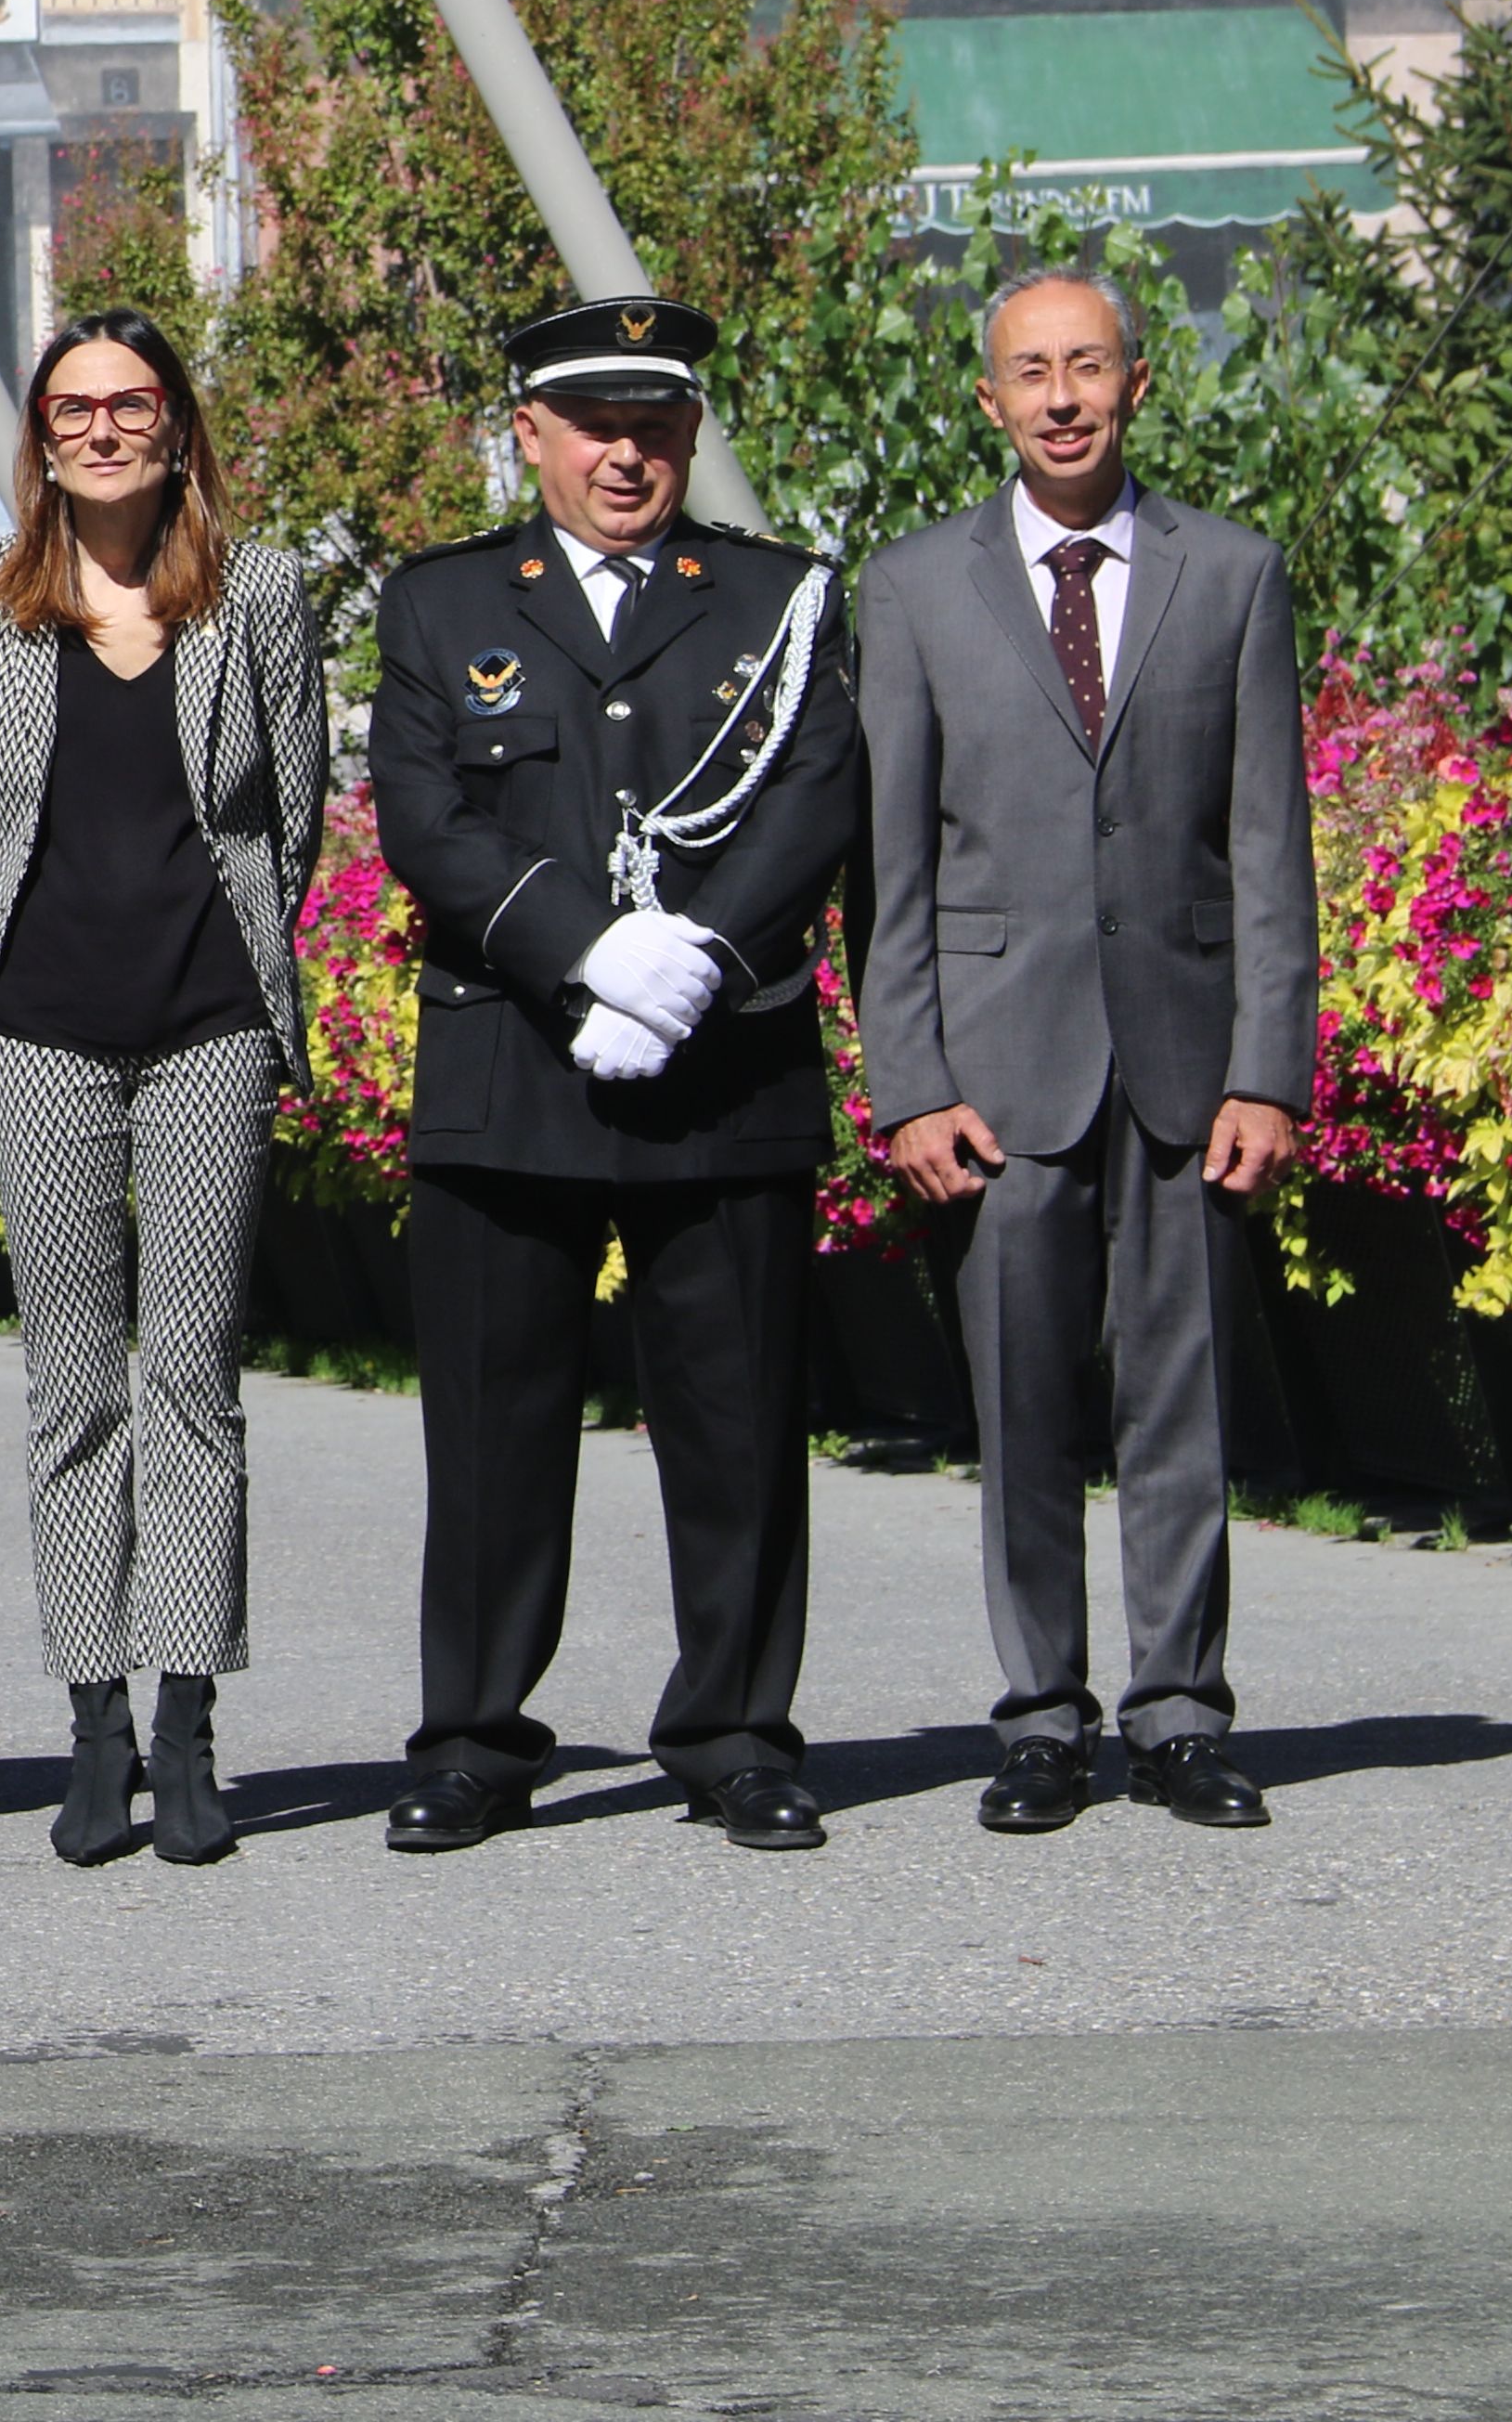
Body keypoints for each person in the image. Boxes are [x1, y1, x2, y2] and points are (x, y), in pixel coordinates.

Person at [364, 295, 862, 1858]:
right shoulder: (445, 604)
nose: (625, 454)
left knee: (736, 1425)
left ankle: (736, 1730)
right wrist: (591, 953)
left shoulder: (777, 598)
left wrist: (693, 962)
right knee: (496, 1434)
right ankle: (474, 1738)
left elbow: (818, 789)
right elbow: (427, 821)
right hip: (514, 1065)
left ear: (692, 434)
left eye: (653, 425)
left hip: (726, 1065)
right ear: (530, 434)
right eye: (592, 423)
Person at [855, 265, 1315, 1835]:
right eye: (1030, 372)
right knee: (1025, 1409)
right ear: (988, 399)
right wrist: (908, 1082)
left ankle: (1182, 1714)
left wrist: (1271, 1068)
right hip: (996, 1072)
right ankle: (1040, 1718)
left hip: (1189, 1068)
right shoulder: (914, 589)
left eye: (1090, 367)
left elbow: (1269, 849)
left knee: (1179, 1405)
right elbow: (890, 864)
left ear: (1135, 383)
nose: (1061, 397)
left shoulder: (1234, 575)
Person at [0, 310, 325, 1868]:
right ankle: (93, 1720)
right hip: (44, 1035)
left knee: (194, 1379)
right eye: (73, 407)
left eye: (131, 404)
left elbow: (293, 811)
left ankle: (189, 1719)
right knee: (73, 1386)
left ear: (176, 426)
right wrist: (15, 953)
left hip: (213, 1026)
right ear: (41, 434)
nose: (103, 430)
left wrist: (238, 952)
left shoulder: (258, 594)